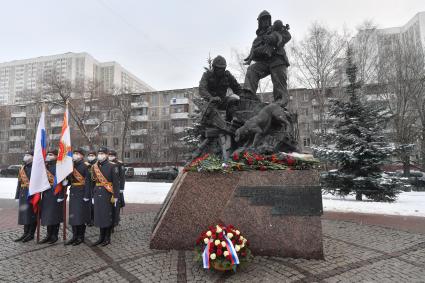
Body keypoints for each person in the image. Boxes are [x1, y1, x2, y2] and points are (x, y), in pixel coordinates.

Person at [244, 10, 291, 105]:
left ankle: (280, 101)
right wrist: (260, 51)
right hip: (265, 62)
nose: (265, 22)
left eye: (267, 19)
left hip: (277, 59)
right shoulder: (257, 39)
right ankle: (248, 95)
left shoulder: (276, 29)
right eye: (263, 20)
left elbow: (287, 36)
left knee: (278, 79)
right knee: (252, 69)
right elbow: (254, 55)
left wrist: (273, 39)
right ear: (259, 22)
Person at [91, 147, 119, 246]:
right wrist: (92, 195)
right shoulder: (95, 166)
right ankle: (101, 237)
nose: (100, 155)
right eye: (99, 153)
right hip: (97, 194)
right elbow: (93, 182)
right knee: (99, 216)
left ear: (107, 155)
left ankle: (107, 238)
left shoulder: (113, 166)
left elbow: (116, 182)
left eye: (102, 153)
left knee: (107, 216)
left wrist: (115, 196)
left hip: (107, 194)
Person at [199, 55, 241, 122]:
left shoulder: (227, 76)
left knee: (233, 101)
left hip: (222, 101)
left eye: (222, 68)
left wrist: (245, 97)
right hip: (210, 102)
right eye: (218, 68)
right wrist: (210, 97)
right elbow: (202, 89)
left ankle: (229, 122)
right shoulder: (207, 75)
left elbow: (237, 88)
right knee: (210, 113)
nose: (220, 70)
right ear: (214, 67)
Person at [65, 148, 91, 246]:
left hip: (82, 194)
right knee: (73, 216)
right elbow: (70, 180)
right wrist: (66, 182)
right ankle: (74, 236)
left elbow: (88, 182)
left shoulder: (86, 166)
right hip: (73, 193)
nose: (75, 155)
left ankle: (81, 237)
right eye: (74, 153)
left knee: (80, 216)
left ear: (81, 156)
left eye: (77, 153)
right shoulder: (71, 166)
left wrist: (87, 195)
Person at [39, 150, 64, 244]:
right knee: (47, 216)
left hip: (55, 195)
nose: (48, 156)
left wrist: (61, 196)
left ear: (56, 156)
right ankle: (48, 235)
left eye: (51, 155)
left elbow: (62, 183)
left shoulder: (59, 167)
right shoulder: (45, 167)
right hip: (46, 194)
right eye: (48, 154)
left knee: (54, 216)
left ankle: (54, 236)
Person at [14, 151, 37, 243]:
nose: (26, 156)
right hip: (23, 193)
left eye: (28, 155)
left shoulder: (36, 167)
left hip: (32, 194)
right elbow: (19, 183)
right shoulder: (23, 167)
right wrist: (17, 195)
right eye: (25, 155)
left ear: (33, 157)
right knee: (24, 214)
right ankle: (25, 233)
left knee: (31, 214)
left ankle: (31, 234)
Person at [108, 149, 125, 228]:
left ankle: (116, 219)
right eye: (109, 155)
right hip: (108, 186)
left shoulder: (119, 164)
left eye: (112, 155)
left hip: (117, 186)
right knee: (109, 203)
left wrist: (121, 188)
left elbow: (122, 177)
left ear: (115, 156)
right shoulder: (107, 163)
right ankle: (110, 218)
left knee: (117, 203)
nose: (110, 157)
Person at [86, 150, 97, 226]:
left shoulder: (97, 165)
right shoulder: (86, 164)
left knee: (93, 205)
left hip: (94, 186)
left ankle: (93, 219)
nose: (90, 157)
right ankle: (88, 218)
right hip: (86, 187)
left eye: (92, 155)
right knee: (87, 204)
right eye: (89, 155)